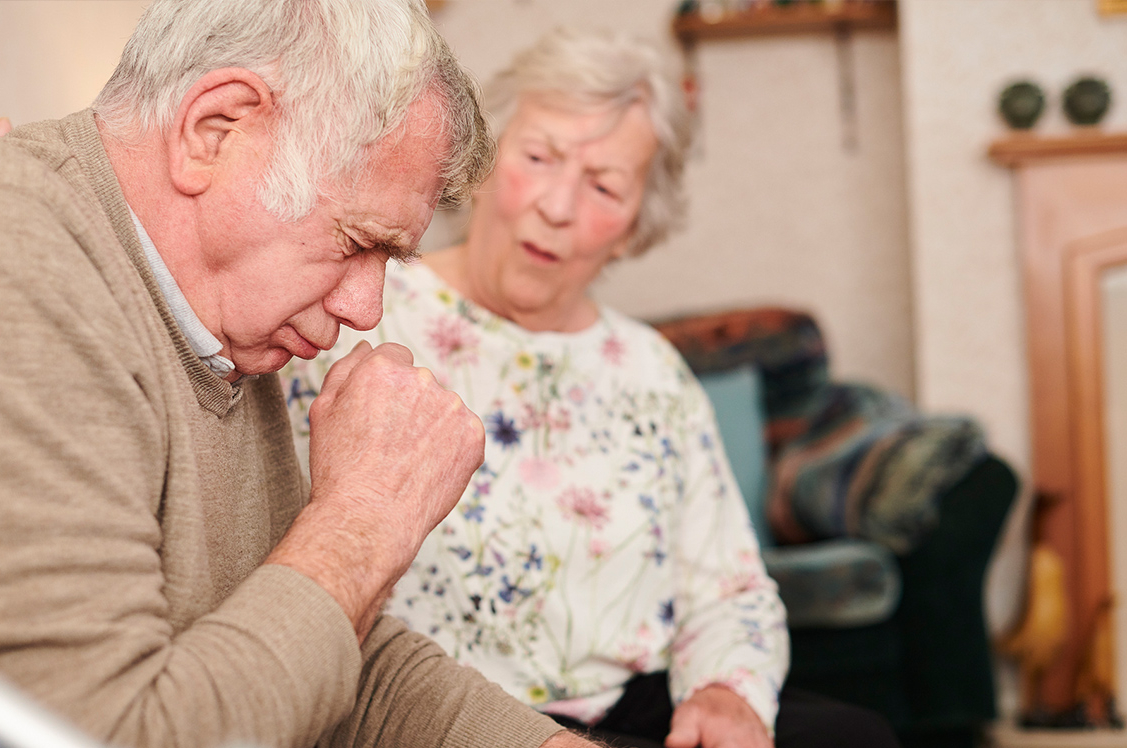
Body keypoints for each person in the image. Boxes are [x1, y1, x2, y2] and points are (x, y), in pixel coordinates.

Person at [0, 3, 598, 748]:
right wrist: (364, 522)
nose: (366, 306)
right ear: (213, 131)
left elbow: (315, 650)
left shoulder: (210, 318)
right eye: (357, 242)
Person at [284, 29, 901, 748]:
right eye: (539, 157)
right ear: (482, 162)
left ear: (636, 226)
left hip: (631, 706)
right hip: (440, 710)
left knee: (853, 737)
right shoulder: (361, 310)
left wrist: (726, 693)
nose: (557, 205)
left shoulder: (650, 369)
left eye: (604, 185)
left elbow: (728, 586)